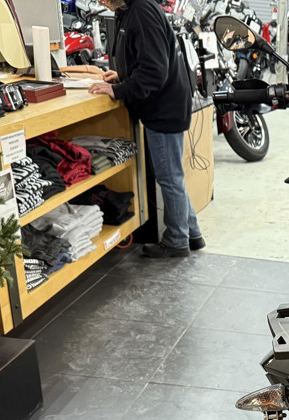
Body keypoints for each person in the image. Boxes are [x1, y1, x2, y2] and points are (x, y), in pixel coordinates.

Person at [89, 0, 205, 257]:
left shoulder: (141, 11)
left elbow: (154, 71)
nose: (99, 2)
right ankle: (192, 233)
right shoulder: (131, 9)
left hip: (164, 108)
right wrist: (123, 76)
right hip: (165, 104)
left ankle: (177, 241)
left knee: (169, 178)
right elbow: (146, 59)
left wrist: (120, 89)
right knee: (173, 175)